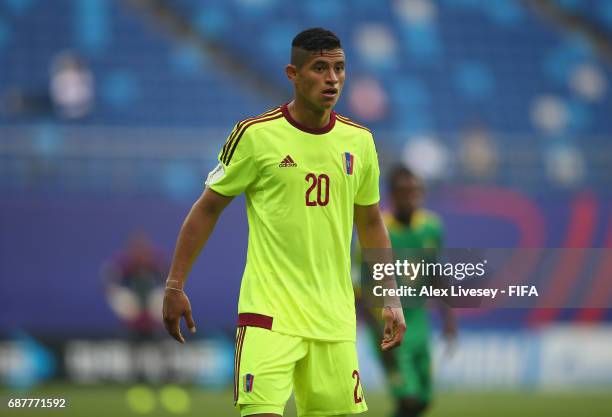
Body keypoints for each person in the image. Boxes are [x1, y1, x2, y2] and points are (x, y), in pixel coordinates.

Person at [162, 28, 406, 417]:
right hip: (269, 317)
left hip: (334, 322)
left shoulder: (360, 142)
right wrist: (175, 284)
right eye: (320, 68)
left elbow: (372, 222)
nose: (332, 79)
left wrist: (388, 296)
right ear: (293, 74)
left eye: (339, 68)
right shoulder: (256, 136)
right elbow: (207, 208)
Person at [368, 165, 456, 417]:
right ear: (392, 195)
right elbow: (359, 286)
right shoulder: (377, 229)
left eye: (416, 190)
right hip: (388, 323)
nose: (412, 196)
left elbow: (437, 275)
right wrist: (376, 329)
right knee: (408, 399)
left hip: (419, 322)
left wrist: (449, 320)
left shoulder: (431, 227)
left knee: (422, 401)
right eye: (405, 191)